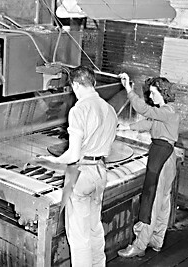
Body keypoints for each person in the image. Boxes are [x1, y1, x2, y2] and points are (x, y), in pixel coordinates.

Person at [38, 66, 118, 266]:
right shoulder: (109, 108)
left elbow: (73, 154)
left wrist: (53, 160)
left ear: (74, 85)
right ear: (93, 83)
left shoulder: (79, 110)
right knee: (94, 227)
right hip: (100, 171)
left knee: (78, 235)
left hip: (80, 173)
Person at [117, 73, 180, 257]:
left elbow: (145, 111)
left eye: (153, 93)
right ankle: (156, 239)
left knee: (151, 201)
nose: (150, 96)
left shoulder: (168, 111)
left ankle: (139, 245)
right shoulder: (165, 112)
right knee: (162, 202)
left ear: (163, 93)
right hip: (166, 156)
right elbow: (149, 123)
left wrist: (129, 89)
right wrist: (126, 127)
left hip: (161, 157)